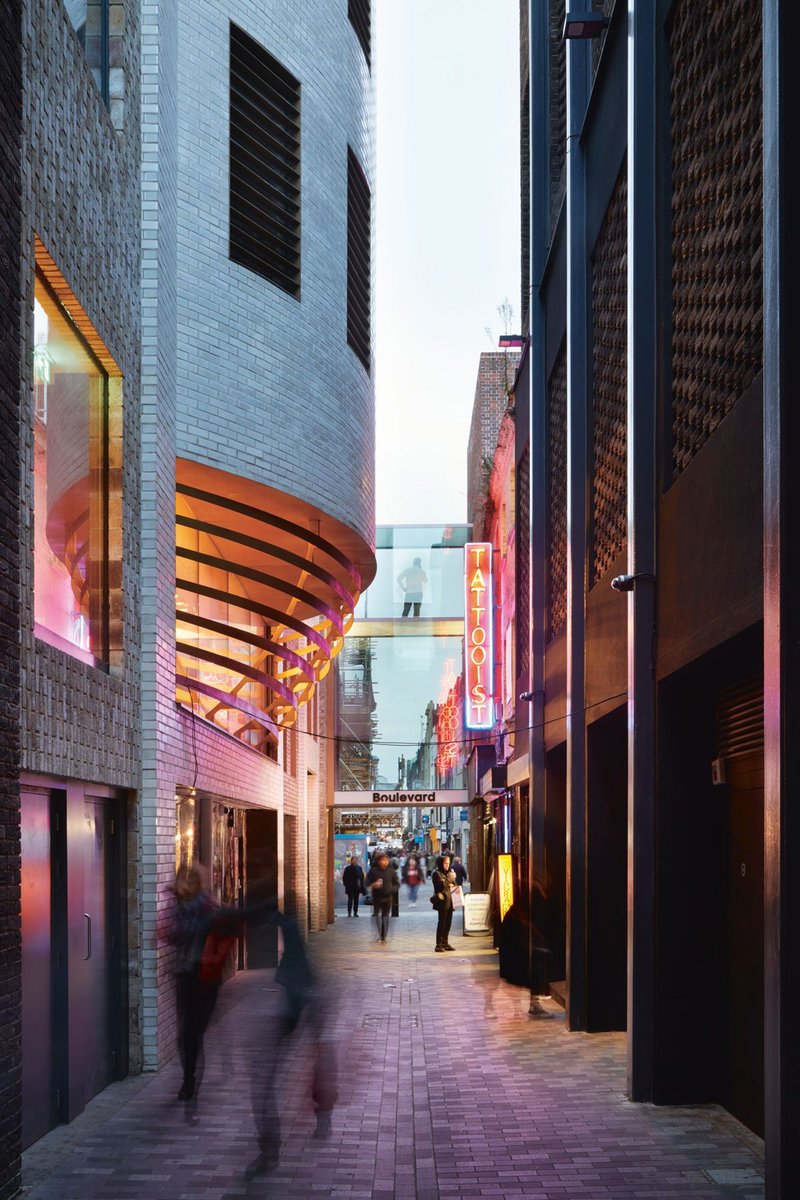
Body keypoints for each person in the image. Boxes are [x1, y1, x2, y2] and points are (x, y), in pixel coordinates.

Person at [168, 863, 237, 1102]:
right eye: (181, 880)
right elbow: (179, 937)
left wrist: (217, 955)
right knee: (186, 1033)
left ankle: (190, 1082)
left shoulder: (210, 909)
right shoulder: (180, 910)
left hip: (206, 978)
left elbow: (230, 934)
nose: (181, 885)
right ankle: (189, 1079)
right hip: (186, 974)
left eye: (186, 880)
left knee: (193, 1031)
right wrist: (169, 935)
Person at [366, 849, 396, 943]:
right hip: (377, 898)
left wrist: (392, 889)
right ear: (378, 861)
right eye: (383, 860)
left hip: (388, 897)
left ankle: (384, 935)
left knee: (385, 916)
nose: (385, 862)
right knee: (377, 917)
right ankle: (380, 933)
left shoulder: (391, 871)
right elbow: (367, 882)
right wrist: (373, 885)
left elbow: (396, 883)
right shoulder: (373, 871)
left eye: (386, 860)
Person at [431, 854, 457, 952]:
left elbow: (453, 885)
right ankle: (439, 944)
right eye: (445, 863)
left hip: (450, 901)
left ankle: (445, 943)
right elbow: (441, 887)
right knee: (442, 923)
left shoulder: (449, 873)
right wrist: (450, 879)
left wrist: (453, 879)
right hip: (442, 902)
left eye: (448, 863)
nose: (447, 865)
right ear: (440, 863)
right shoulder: (437, 874)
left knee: (448, 923)